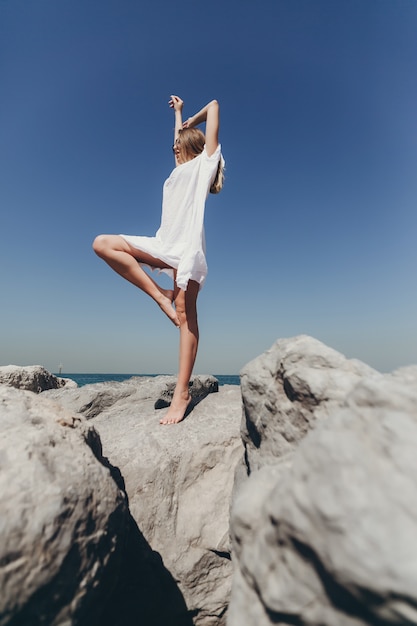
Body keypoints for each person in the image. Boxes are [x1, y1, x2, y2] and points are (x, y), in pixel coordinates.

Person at [92, 95, 224, 425]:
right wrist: (177, 114)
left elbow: (215, 106)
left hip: (188, 248)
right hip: (163, 244)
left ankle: (182, 393)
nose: (173, 149)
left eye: (178, 145)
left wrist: (189, 120)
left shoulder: (204, 163)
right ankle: (159, 297)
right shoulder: (178, 169)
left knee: (187, 313)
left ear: (191, 145)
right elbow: (175, 141)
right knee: (103, 244)